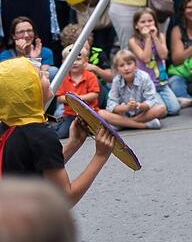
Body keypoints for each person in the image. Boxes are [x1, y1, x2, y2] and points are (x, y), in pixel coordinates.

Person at [0, 57, 116, 205]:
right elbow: (65, 198)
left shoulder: (6, 126)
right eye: (40, 75)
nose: (47, 74)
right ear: (28, 91)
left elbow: (38, 167)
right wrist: (100, 156)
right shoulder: (42, 136)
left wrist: (73, 144)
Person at [126, 9, 180, 116]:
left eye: (150, 21)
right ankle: (143, 105)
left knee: (175, 109)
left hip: (162, 83)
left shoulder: (161, 36)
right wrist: (147, 39)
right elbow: (145, 58)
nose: (147, 24)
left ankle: (158, 105)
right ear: (136, 26)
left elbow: (164, 55)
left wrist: (154, 37)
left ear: (155, 22)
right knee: (162, 110)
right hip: (147, 85)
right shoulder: (133, 41)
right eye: (143, 22)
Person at [101, 49, 166, 130]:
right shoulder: (117, 80)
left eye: (129, 64)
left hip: (142, 113)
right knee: (101, 113)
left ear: (135, 65)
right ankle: (144, 125)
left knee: (161, 109)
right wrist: (126, 108)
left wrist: (138, 105)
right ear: (117, 70)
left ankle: (123, 124)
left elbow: (151, 100)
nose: (126, 68)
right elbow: (111, 105)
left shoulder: (144, 77)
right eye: (122, 65)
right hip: (124, 114)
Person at [53, 44, 99, 140]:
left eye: (78, 59)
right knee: (61, 134)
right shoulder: (63, 78)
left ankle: (86, 130)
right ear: (64, 62)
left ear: (86, 61)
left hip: (90, 113)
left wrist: (78, 98)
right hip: (70, 115)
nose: (74, 63)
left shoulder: (90, 76)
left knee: (98, 132)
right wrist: (71, 98)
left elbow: (94, 94)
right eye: (71, 60)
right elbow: (60, 98)